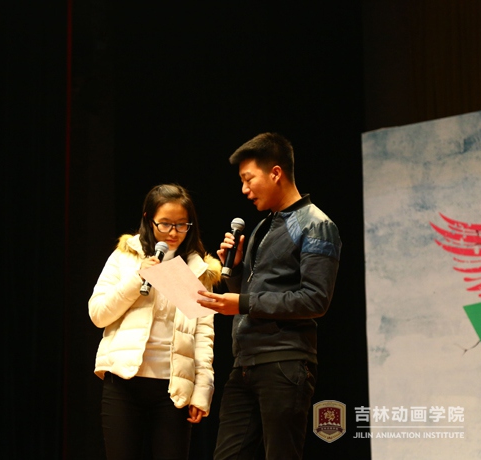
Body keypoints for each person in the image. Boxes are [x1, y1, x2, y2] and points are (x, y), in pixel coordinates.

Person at [197, 133, 342, 459]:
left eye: (248, 179)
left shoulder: (316, 225)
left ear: (276, 172)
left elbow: (315, 300)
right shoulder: (262, 227)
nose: (244, 189)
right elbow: (248, 296)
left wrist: (243, 302)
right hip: (244, 364)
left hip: (284, 363)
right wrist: (235, 270)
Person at [89, 184, 221, 460]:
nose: (173, 233)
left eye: (181, 225)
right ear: (149, 220)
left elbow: (203, 336)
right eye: (165, 224)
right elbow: (98, 314)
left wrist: (202, 390)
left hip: (171, 389)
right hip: (124, 382)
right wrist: (137, 277)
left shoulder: (196, 269)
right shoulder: (126, 256)